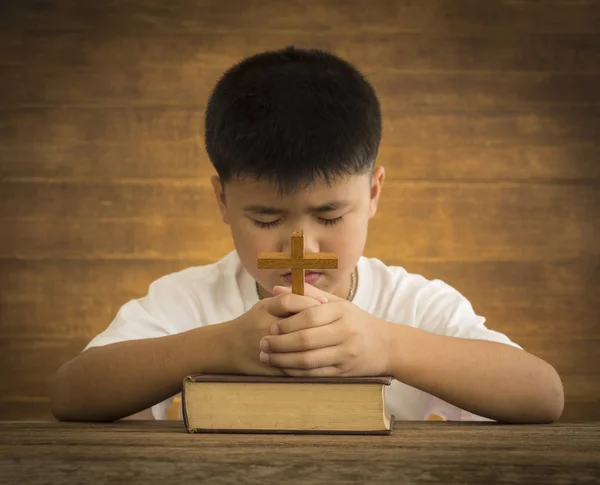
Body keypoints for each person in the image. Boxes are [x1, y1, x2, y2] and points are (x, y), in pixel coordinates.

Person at [50, 46, 564, 423]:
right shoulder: (190, 301)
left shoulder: (410, 304)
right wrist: (220, 346)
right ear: (223, 200)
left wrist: (388, 346)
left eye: (331, 215)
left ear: (374, 193)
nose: (302, 247)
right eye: (268, 219)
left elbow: (543, 395)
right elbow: (71, 394)